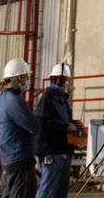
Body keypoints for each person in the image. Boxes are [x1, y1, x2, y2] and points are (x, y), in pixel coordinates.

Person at [0, 58, 40, 198]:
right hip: (20, 163)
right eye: (25, 77)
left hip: (9, 161)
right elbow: (34, 126)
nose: (27, 80)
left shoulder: (3, 99)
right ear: (17, 78)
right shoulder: (14, 101)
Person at [35, 64, 75, 198]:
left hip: (62, 151)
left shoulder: (61, 99)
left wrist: (73, 124)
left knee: (59, 192)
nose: (68, 83)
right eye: (67, 80)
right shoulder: (48, 97)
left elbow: (60, 120)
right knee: (47, 191)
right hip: (52, 152)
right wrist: (66, 127)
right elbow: (42, 124)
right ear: (60, 80)